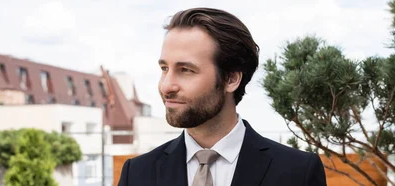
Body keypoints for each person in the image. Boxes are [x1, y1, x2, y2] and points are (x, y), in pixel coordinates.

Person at [117, 7, 327, 186]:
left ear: (231, 79)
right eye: (164, 68)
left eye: (186, 70)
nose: (166, 86)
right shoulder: (136, 174)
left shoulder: (298, 173)